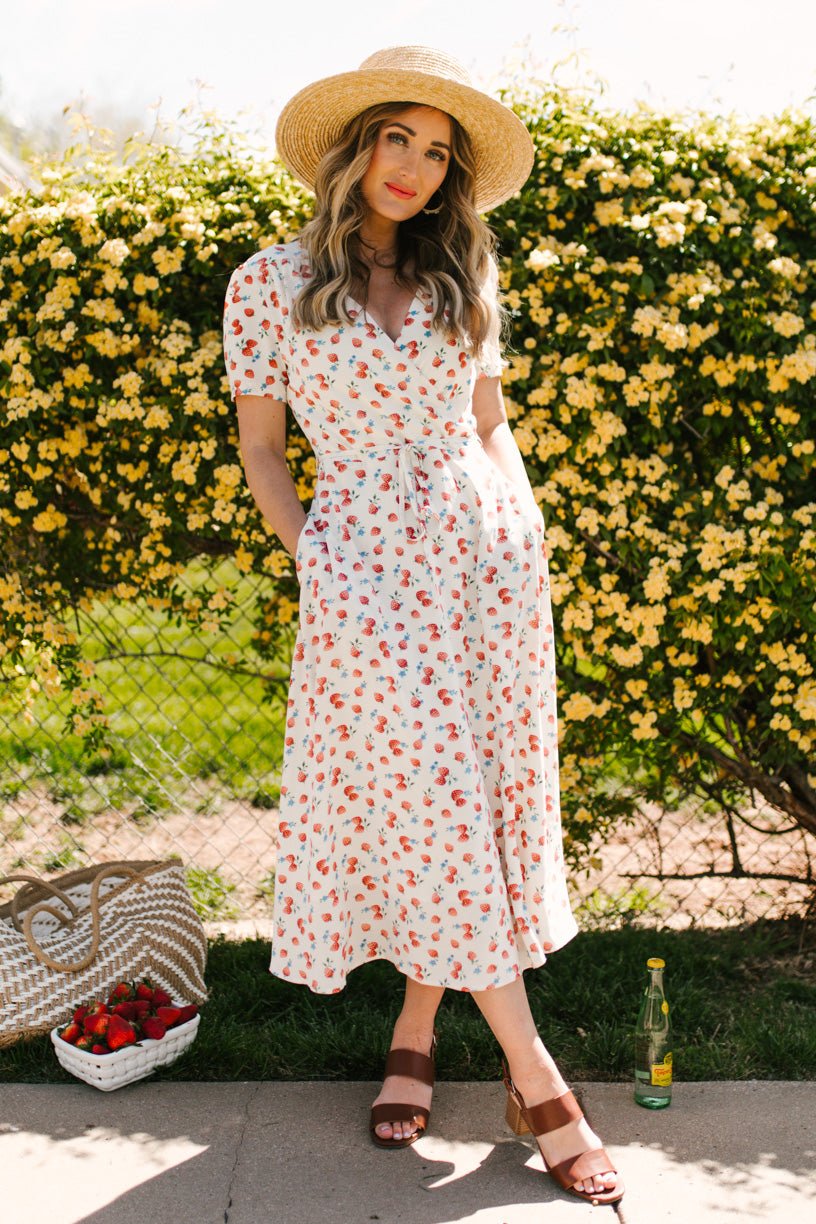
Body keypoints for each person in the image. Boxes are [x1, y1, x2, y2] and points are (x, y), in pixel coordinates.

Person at [222, 45, 624, 1208]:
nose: (413, 165)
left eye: (436, 148)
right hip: (365, 568)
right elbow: (262, 451)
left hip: (484, 560)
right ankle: (535, 1077)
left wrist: (523, 532)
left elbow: (490, 426)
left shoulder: (462, 275)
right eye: (396, 137)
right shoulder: (268, 280)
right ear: (355, 150)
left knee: (476, 792)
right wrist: (322, 562)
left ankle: (414, 1022)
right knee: (423, 792)